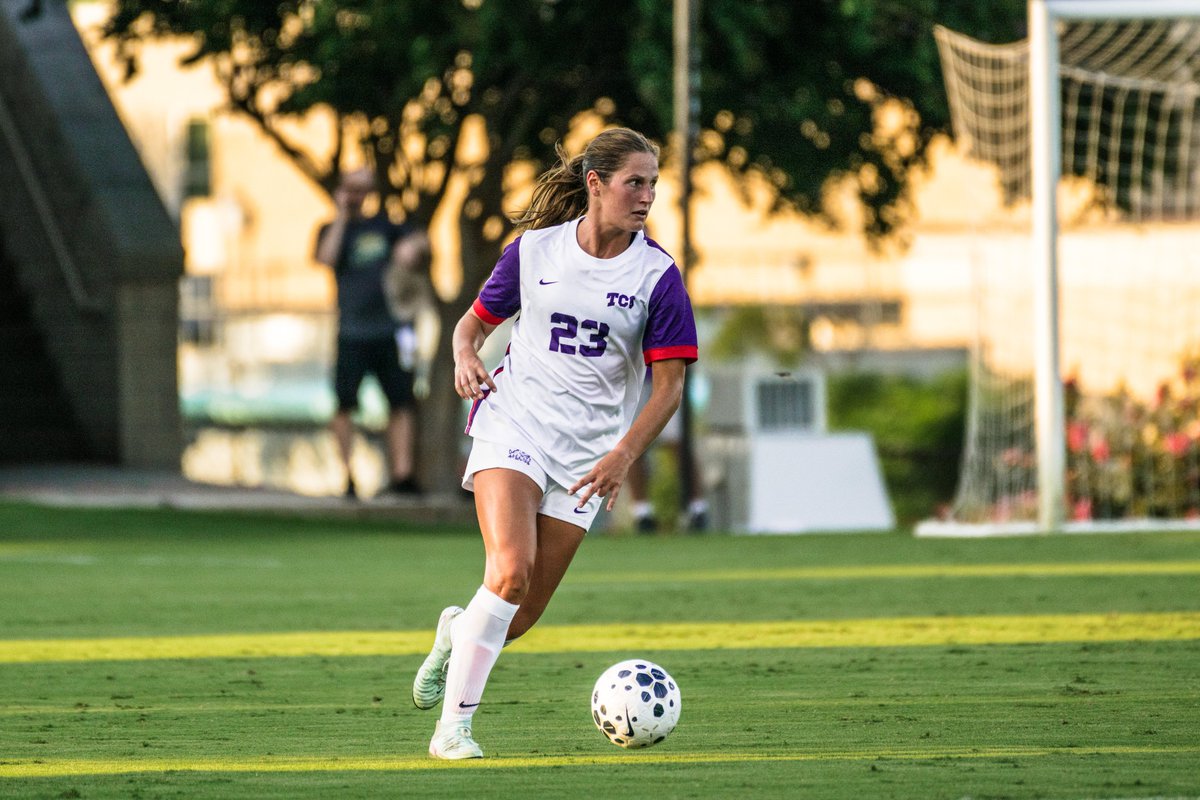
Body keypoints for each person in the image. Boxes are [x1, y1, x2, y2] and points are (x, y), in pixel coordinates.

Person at [410, 128, 698, 759]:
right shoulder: (533, 252)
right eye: (634, 182)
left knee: (521, 612)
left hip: (588, 457)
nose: (647, 195)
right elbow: (472, 325)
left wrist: (621, 455)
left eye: (653, 183)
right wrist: (465, 357)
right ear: (595, 183)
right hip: (513, 426)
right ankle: (452, 731)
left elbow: (668, 389)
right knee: (509, 574)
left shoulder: (658, 276)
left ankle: (459, 632)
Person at [314, 168, 429, 498]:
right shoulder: (330, 228)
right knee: (344, 404)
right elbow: (326, 258)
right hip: (351, 331)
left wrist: (411, 247)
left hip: (391, 330)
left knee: (401, 402)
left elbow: (421, 239)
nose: (357, 195)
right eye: (351, 188)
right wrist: (341, 216)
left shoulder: (386, 227)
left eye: (363, 189)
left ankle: (402, 475)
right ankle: (347, 476)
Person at [626, 388, 709, 533]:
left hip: (665, 374)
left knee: (679, 445)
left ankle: (697, 509)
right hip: (636, 379)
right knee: (631, 446)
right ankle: (642, 514)